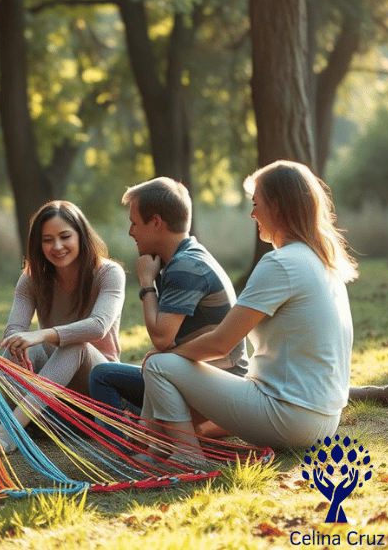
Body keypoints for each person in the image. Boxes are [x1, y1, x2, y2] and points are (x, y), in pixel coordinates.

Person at [139, 160, 357, 463]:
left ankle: (187, 457)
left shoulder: (281, 263)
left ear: (278, 207)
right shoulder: (322, 261)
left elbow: (220, 344)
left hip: (290, 417)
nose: (252, 214)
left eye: (257, 204)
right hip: (324, 420)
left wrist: (165, 356)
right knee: (176, 387)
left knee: (158, 366)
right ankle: (155, 446)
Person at [0, 200, 126, 456]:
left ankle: (9, 434)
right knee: (17, 342)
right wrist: (21, 342)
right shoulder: (31, 279)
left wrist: (41, 333)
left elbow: (98, 327)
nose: (57, 246)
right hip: (49, 389)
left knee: (75, 344)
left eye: (65, 237)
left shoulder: (109, 273)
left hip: (95, 384)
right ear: (38, 245)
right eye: (48, 240)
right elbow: (13, 330)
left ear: (81, 236)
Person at [88, 178, 248, 439]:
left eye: (134, 223)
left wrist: (146, 282)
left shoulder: (186, 266)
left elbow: (162, 339)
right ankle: (137, 433)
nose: (131, 232)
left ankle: (130, 446)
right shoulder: (182, 258)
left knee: (111, 374)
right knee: (104, 375)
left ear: (156, 222)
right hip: (192, 377)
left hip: (216, 387)